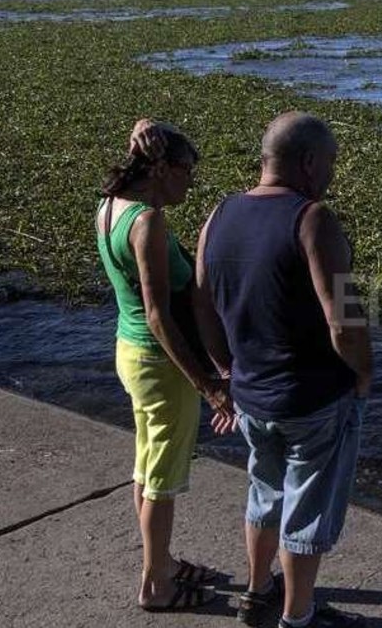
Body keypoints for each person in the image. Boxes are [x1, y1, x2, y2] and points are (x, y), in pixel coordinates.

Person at [194, 111, 373, 628]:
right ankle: (298, 616)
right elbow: (344, 321)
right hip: (312, 399)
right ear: (309, 162)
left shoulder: (219, 214)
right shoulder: (313, 220)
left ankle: (257, 591)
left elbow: (202, 304)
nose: (332, 174)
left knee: (264, 494)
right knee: (306, 513)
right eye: (331, 162)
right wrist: (363, 373)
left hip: (252, 397)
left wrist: (226, 369)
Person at [97, 119, 236, 611]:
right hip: (160, 365)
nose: (190, 183)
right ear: (161, 170)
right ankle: (156, 585)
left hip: (130, 353)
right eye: (187, 171)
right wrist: (207, 385)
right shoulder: (147, 223)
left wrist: (146, 125)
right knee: (162, 480)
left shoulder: (110, 207)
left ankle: (163, 563)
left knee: (147, 466)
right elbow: (159, 316)